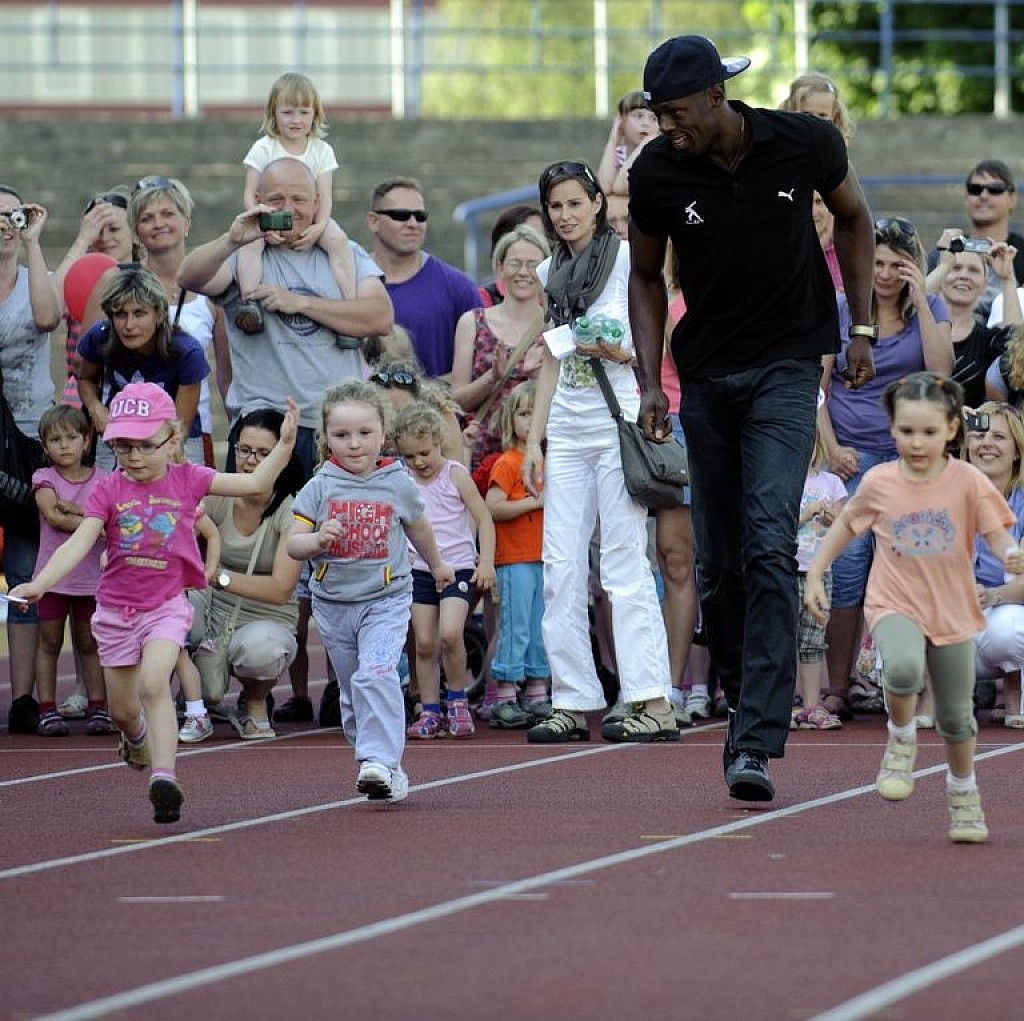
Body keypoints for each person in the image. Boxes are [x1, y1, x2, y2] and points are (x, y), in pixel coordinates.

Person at [627, 35, 876, 801]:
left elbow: (856, 218)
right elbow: (644, 275)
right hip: (706, 376)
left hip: (788, 366)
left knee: (770, 540)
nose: (666, 126)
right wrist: (650, 382)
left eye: (676, 112)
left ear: (715, 96)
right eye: (657, 114)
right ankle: (742, 691)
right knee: (719, 562)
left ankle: (756, 739)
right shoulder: (657, 171)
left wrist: (862, 327)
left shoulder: (804, 141)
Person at [10, 383, 300, 825]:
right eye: (124, 446)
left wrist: (285, 446)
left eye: (146, 445)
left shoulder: (189, 479)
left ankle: (164, 778)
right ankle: (136, 736)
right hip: (115, 613)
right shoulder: (108, 489)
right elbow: (80, 542)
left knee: (153, 684)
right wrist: (40, 583)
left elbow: (256, 481)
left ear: (173, 439)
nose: (135, 456)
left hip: (166, 606)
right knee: (125, 711)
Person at [805, 373, 1023, 843]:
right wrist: (817, 573)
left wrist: (1011, 555)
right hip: (895, 600)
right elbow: (845, 527)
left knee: (957, 719)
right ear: (892, 429)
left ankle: (963, 793)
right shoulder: (881, 481)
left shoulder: (968, 481)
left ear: (952, 429)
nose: (917, 442)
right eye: (906, 431)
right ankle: (901, 737)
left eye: (928, 432)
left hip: (952, 609)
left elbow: (998, 535)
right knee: (903, 671)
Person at [524, 158, 675, 746]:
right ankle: (570, 699)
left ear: (596, 203)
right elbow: (551, 359)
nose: (565, 215)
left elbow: (653, 342)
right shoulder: (550, 269)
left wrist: (620, 353)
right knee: (560, 565)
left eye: (574, 203)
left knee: (623, 561)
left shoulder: (629, 260)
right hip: (567, 425)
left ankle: (650, 698)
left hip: (618, 420)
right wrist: (534, 439)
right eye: (555, 206)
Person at [286, 380, 454, 804]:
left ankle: (379, 760)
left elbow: (419, 527)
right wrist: (317, 539)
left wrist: (437, 565)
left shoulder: (396, 482)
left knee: (376, 673)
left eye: (365, 433)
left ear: (383, 434)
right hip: (334, 605)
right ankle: (384, 766)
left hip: (386, 599)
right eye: (342, 435)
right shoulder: (320, 486)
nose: (354, 443)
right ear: (327, 438)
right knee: (352, 693)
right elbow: (293, 543)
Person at [177, 156, 391, 477]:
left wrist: (300, 303)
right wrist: (232, 239)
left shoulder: (346, 253)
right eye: (277, 200)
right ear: (258, 201)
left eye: (299, 199)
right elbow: (188, 277)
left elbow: (380, 317)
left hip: (333, 429)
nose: (288, 209)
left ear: (317, 202)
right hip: (262, 430)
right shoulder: (244, 253)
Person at [819, 217, 953, 720]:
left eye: (897, 264)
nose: (884, 273)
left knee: (907, 568)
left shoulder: (930, 307)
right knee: (849, 566)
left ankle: (907, 685)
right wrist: (832, 447)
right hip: (850, 458)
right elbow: (817, 386)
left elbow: (941, 373)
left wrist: (922, 299)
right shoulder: (840, 309)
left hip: (907, 462)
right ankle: (837, 686)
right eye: (876, 262)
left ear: (913, 266)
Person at [190, 406, 306, 739]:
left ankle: (254, 701)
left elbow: (281, 588)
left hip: (266, 616)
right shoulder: (218, 496)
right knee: (172, 609)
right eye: (244, 450)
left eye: (263, 453)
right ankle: (190, 698)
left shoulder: (292, 509)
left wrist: (219, 577)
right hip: (213, 607)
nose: (250, 461)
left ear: (282, 456)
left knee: (261, 649)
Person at [395, 401, 495, 739]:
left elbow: (483, 517)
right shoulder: (403, 480)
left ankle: (457, 701)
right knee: (424, 643)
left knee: (450, 634)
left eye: (424, 453)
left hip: (458, 567)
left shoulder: (455, 474)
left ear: (439, 442)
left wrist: (486, 561)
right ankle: (430, 710)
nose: (419, 462)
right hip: (419, 569)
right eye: (409, 456)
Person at [0, 187, 61, 735]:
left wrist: (35, 243)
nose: (3, 225)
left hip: (28, 437)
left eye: (11, 216)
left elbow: (47, 318)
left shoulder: (34, 275)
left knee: (24, 569)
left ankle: (23, 698)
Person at [236, 72, 356, 335]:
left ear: (315, 115)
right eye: (288, 112)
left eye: (303, 112)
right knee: (249, 244)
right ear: (273, 114)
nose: (296, 120)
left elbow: (324, 196)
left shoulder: (321, 150)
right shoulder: (264, 148)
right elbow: (250, 194)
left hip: (310, 218)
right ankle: (250, 301)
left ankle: (349, 305)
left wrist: (320, 226)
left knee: (339, 241)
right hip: (269, 216)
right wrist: (263, 223)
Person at [129, 175, 229, 467]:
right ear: (136, 232)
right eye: (147, 218)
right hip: (131, 433)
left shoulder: (213, 286)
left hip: (194, 430)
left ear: (186, 222)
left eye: (167, 214)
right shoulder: (123, 284)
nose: (158, 223)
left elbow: (226, 375)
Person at [75, 264, 209, 470]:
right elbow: (85, 379)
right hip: (118, 435)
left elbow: (179, 429)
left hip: (174, 437)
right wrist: (96, 408)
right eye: (120, 314)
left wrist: (149, 459)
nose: (129, 325)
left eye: (139, 313)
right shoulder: (101, 336)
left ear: (159, 314)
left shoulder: (187, 352)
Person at [30, 405, 110, 737]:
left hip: (91, 580)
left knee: (90, 643)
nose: (64, 445)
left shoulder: (104, 480)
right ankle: (47, 708)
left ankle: (98, 705)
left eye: (71, 437)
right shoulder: (44, 478)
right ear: (44, 446)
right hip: (53, 579)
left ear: (87, 441)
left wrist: (78, 511)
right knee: (49, 642)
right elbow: (54, 517)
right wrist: (93, 522)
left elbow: (109, 524)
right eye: (55, 440)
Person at [451, 224, 550, 468]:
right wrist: (492, 377)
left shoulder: (554, 328)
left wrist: (535, 376)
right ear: (501, 267)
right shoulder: (472, 322)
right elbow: (457, 401)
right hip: (482, 454)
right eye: (515, 263)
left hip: (535, 456)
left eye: (533, 264)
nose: (524, 272)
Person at [366, 176, 479, 378]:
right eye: (401, 215)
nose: (413, 223)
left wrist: (421, 391)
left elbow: (481, 365)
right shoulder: (348, 282)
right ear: (374, 221)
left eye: (420, 216)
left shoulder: (458, 288)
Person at [484, 381, 550, 727]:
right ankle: (506, 694)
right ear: (511, 420)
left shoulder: (552, 462)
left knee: (541, 627)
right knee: (516, 626)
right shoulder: (508, 463)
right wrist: (534, 503)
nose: (531, 421)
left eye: (537, 414)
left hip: (544, 558)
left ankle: (537, 691)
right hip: (515, 559)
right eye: (524, 413)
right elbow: (493, 506)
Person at [964, 400, 1024, 728]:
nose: (986, 443)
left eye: (999, 437)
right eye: (979, 435)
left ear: (1017, 451)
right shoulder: (944, 493)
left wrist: (991, 596)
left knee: (1012, 628)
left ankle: (1014, 685)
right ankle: (939, 696)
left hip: (1002, 609)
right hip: (950, 614)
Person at [53, 187, 137, 406]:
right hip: (80, 397)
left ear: (134, 233)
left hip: (134, 394)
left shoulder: (145, 278)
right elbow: (52, 308)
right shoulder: (77, 276)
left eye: (114, 229)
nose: (105, 238)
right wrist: (82, 240)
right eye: (97, 230)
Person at [792, 411, 846, 730]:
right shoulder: (781, 480)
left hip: (820, 573)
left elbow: (844, 522)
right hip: (786, 569)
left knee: (813, 638)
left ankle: (811, 704)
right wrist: (805, 514)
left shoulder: (832, 483)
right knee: (782, 638)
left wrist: (830, 517)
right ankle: (782, 703)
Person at [925, 240, 1022, 407]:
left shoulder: (988, 340)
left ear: (984, 284)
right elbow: (913, 301)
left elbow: (1016, 347)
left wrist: (1007, 279)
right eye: (955, 267)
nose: (964, 275)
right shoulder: (917, 327)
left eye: (973, 270)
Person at [926, 160, 1024, 322]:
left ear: (1013, 198)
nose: (983, 196)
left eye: (995, 189)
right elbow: (915, 308)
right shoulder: (945, 251)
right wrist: (943, 266)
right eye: (975, 189)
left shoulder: (1021, 252)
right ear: (966, 198)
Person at [478, 204, 545, 307]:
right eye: (527, 235)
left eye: (539, 238)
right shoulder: (482, 301)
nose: (523, 272)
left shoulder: (555, 301)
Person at [597, 90, 659, 198]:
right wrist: (613, 140)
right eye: (639, 116)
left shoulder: (658, 157)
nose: (646, 123)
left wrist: (645, 143)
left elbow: (621, 187)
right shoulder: (617, 154)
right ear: (621, 120)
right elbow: (603, 187)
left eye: (654, 118)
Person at [779, 72, 855, 141]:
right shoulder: (782, 142)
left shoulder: (834, 144)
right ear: (790, 110)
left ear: (834, 114)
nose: (815, 122)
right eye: (807, 114)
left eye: (822, 115)